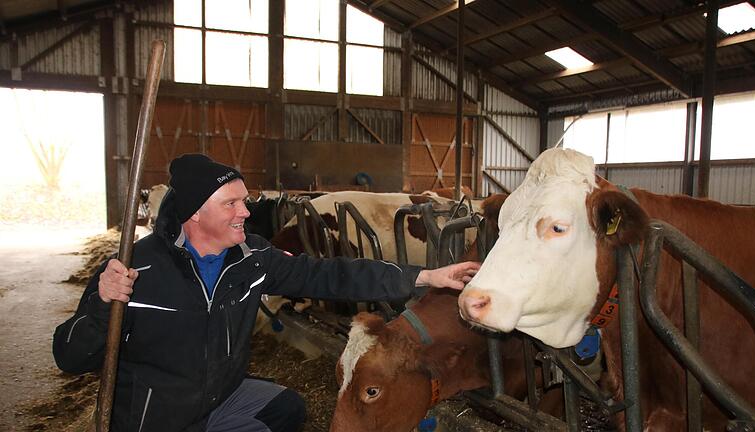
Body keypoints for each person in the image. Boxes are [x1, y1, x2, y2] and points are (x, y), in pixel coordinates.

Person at [53, 154, 480, 432]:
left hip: (219, 395)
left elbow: (330, 276)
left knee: (287, 409)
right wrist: (101, 307)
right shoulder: (133, 268)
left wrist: (424, 277)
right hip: (157, 417)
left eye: (244, 200)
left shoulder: (248, 257)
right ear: (194, 215)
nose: (246, 211)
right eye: (231, 204)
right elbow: (70, 357)